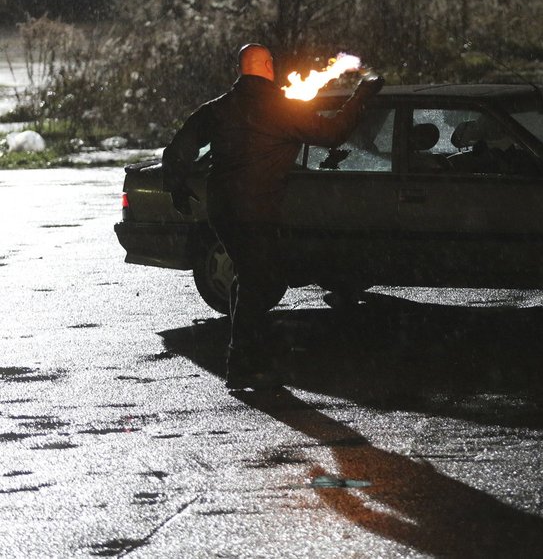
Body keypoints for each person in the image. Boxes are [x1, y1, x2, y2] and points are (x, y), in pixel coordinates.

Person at [161, 43, 383, 389]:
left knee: (252, 278)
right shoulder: (281, 109)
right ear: (267, 65)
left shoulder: (218, 108)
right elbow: (334, 132)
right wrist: (363, 94)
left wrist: (177, 188)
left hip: (223, 209)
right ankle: (242, 363)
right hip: (256, 209)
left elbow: (177, 150)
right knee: (264, 281)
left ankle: (248, 356)